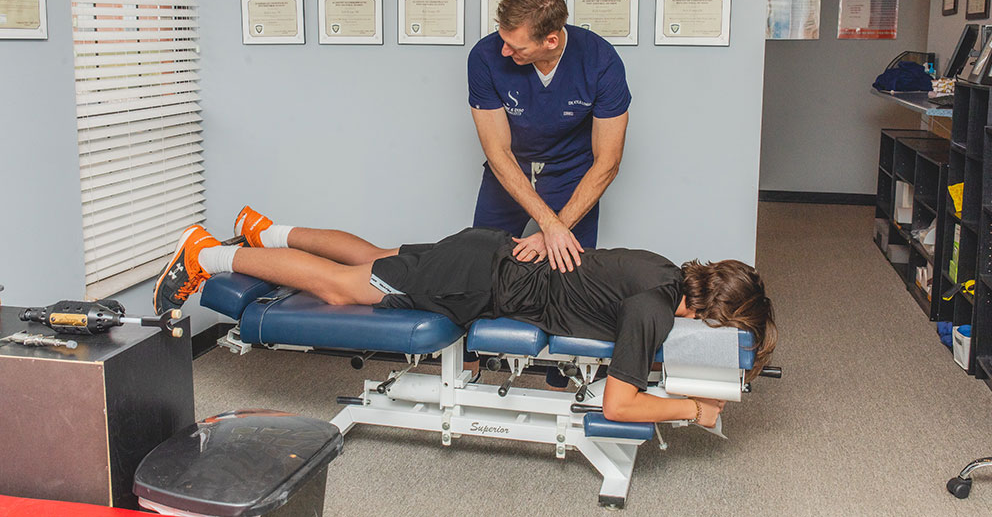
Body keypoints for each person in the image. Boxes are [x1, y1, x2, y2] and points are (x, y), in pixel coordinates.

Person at [155, 207, 777, 426]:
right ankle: (208, 253)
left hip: (489, 250)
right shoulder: (653, 313)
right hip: (474, 283)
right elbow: (618, 405)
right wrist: (695, 409)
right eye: (731, 334)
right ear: (710, 314)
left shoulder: (664, 268)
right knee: (347, 288)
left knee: (377, 254)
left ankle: (265, 230)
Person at [469, 0, 630, 274]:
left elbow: (608, 162)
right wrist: (548, 224)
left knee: (571, 276)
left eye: (516, 46)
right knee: (481, 266)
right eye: (502, 39)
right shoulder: (484, 58)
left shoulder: (601, 62)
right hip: (510, 172)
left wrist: (554, 231)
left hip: (573, 177)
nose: (504, 51)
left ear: (550, 41)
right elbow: (498, 153)